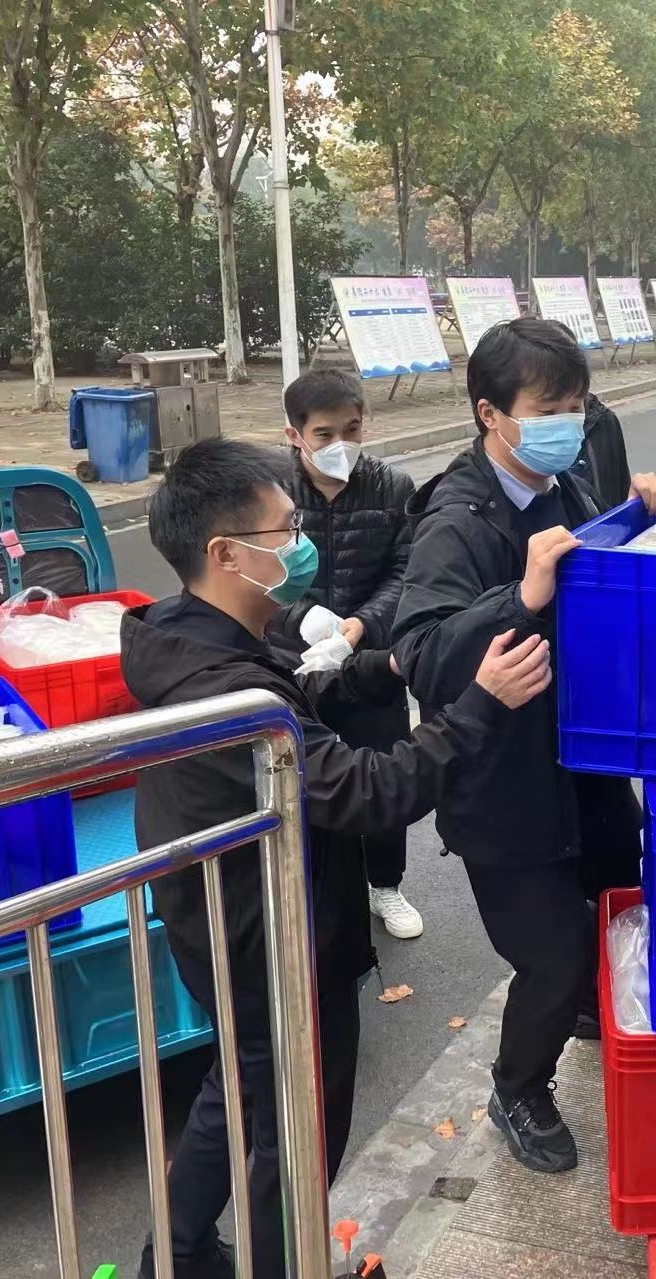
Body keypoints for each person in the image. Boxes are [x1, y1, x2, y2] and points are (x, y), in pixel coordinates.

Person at [123, 437, 550, 1279]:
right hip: (266, 930)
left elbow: (306, 685)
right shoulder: (227, 694)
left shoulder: (201, 634)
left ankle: (176, 1254)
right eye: (285, 530)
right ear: (226, 553)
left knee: (244, 1084)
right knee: (299, 1124)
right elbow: (365, 791)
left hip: (223, 912)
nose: (301, 544)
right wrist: (479, 706)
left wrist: (385, 664)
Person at [391, 317, 656, 1176]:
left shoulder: (568, 485)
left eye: (578, 405)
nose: (568, 423)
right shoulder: (455, 520)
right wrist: (518, 594)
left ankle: (589, 1007)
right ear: (491, 413)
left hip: (583, 766)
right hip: (502, 786)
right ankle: (517, 1088)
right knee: (551, 955)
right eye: (548, 408)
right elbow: (423, 654)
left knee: (623, 897)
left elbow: (607, 576)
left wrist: (642, 515)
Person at [267, 368, 426, 941]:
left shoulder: (393, 488)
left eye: (352, 430)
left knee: (382, 770)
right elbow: (255, 572)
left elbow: (406, 570)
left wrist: (362, 626)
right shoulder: (270, 490)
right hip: (294, 660)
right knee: (298, 772)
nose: (341, 445)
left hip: (370, 657)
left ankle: (386, 884)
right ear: (294, 435)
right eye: (325, 434)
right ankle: (309, 885)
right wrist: (302, 619)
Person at [575, 392, 631, 509]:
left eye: (574, 408)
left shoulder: (602, 420)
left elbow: (620, 493)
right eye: (547, 412)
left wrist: (635, 500)